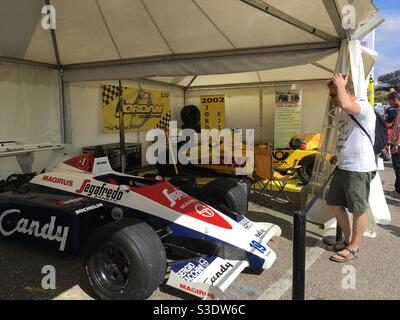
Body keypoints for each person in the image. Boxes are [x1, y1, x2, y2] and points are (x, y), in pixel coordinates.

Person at [326, 74, 377, 263]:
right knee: (333, 202)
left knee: (358, 208)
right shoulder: (343, 111)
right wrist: (338, 155)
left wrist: (340, 85)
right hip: (344, 165)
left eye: (334, 94)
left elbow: (348, 105)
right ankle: (348, 239)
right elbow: (348, 136)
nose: (333, 99)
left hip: (359, 168)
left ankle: (354, 247)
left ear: (346, 90)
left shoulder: (362, 106)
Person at [388, 91, 400, 197]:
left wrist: (396, 144)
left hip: (398, 145)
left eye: (390, 101)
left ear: (395, 100)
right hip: (397, 143)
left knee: (398, 168)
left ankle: (398, 191)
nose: (390, 104)